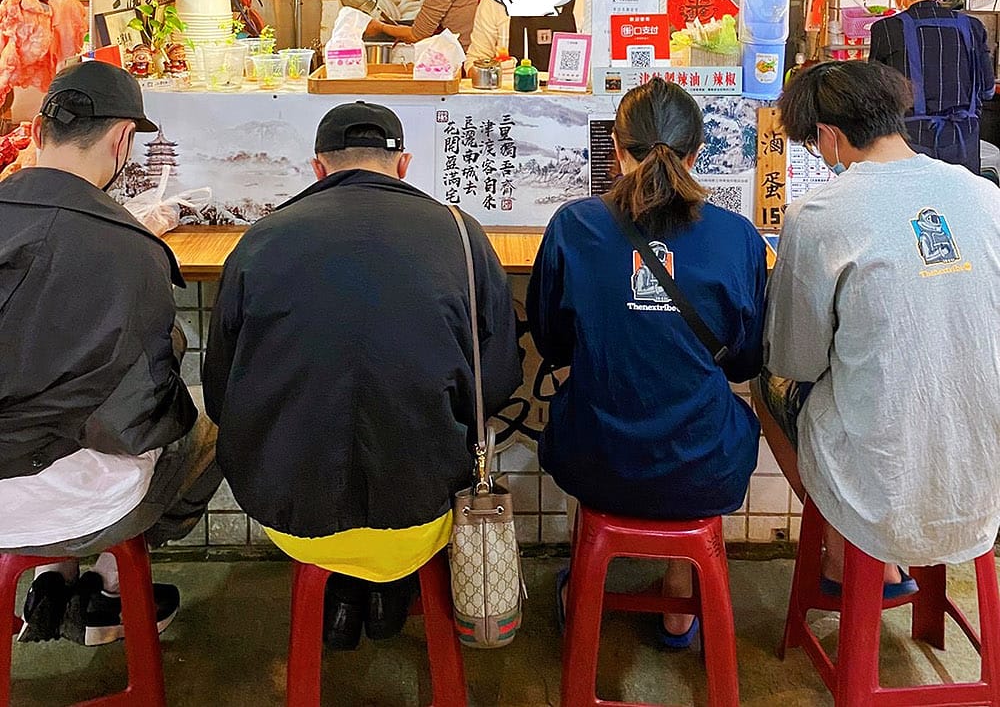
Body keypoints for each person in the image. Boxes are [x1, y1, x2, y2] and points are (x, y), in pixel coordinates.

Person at [203, 101, 521, 650]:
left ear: (318, 168)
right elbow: (496, 380)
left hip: (289, 513)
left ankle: (345, 597)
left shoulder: (261, 239)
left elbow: (219, 392)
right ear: (403, 166)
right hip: (425, 511)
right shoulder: (461, 235)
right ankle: (387, 591)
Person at [527, 78, 766, 647]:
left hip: (595, 458)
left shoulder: (574, 226)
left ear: (616, 145)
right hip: (706, 464)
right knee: (708, 418)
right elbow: (744, 363)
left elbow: (553, 342)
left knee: (582, 412)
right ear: (695, 151)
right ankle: (680, 605)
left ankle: (587, 582)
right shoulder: (739, 237)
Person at [757, 61, 1000, 595]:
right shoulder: (985, 195)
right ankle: (880, 557)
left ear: (828, 135)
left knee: (765, 386)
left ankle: (850, 554)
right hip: (984, 477)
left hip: (883, 483)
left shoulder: (818, 214)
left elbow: (796, 361)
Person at [0, 62, 219, 646]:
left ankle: (51, 577)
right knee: (207, 423)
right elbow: (140, 421)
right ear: (124, 140)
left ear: (38, 133)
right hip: (80, 504)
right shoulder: (132, 248)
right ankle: (114, 586)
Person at [868, 0, 994, 174]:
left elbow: (876, 95)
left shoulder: (886, 29)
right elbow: (987, 90)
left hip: (907, 144)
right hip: (962, 142)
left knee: (913, 206)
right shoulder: (972, 26)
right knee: (958, 203)